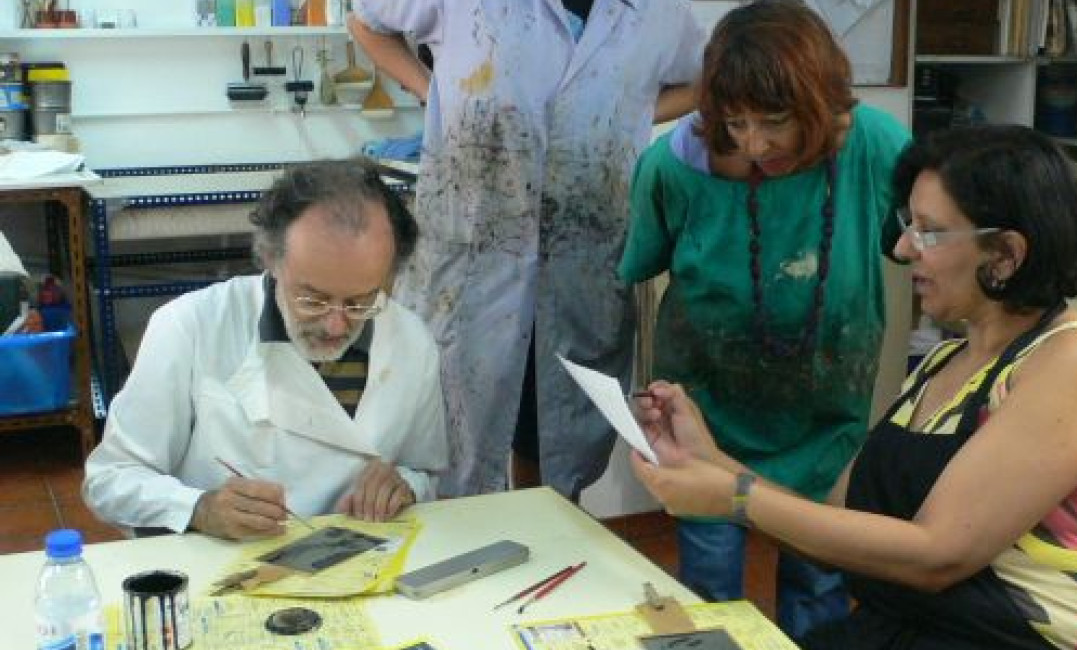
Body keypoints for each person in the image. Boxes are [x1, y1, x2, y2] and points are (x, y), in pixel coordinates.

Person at [630, 125, 1077, 649]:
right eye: (907, 225)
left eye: (929, 232)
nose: (902, 248)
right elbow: (835, 525)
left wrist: (734, 499)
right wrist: (710, 460)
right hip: (912, 629)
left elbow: (938, 554)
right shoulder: (944, 363)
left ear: (1006, 253)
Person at [618, 0, 909, 638]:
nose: (755, 144)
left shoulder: (876, 147)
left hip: (824, 412)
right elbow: (639, 261)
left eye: (775, 122)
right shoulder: (674, 165)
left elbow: (913, 241)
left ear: (825, 105)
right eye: (736, 123)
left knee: (820, 583)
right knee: (710, 587)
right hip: (706, 411)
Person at [347, 0, 705, 500]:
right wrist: (430, 91)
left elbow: (704, 78)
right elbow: (365, 21)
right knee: (455, 443)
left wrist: (632, 108)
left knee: (556, 443)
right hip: (475, 262)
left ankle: (550, 544)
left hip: (580, 262)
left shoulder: (656, 13)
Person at [83, 160, 447, 541]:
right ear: (271, 259)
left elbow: (425, 470)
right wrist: (199, 508)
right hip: (228, 569)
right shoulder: (191, 325)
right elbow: (109, 481)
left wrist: (404, 485)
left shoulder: (410, 340)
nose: (335, 326)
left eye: (360, 302)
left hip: (363, 559)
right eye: (313, 299)